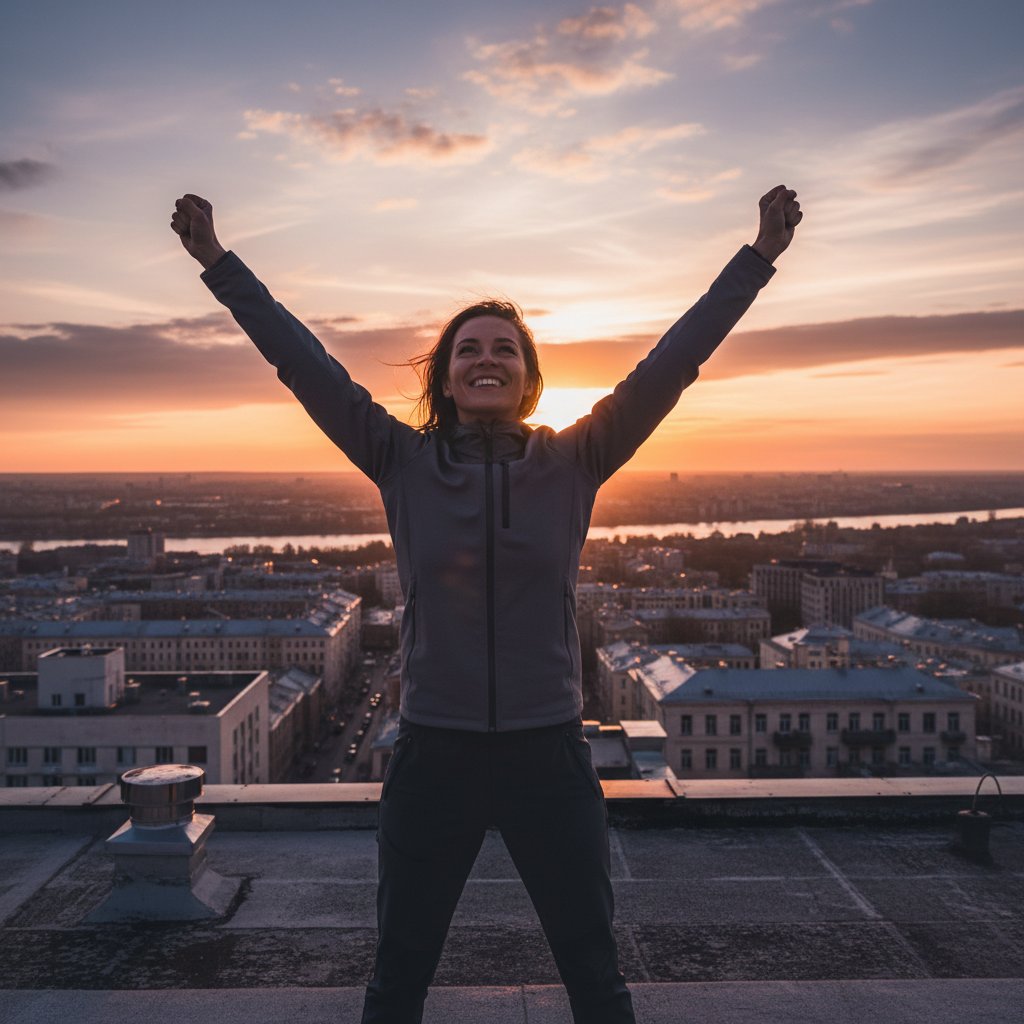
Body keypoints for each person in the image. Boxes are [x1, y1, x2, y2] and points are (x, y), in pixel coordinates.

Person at [171, 186, 801, 1023]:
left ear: (531, 377)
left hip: (551, 756)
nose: (486, 358)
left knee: (596, 976)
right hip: (436, 756)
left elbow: (671, 364)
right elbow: (303, 362)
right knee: (398, 977)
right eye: (468, 348)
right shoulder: (399, 459)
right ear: (447, 373)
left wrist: (756, 258)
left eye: (504, 347)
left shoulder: (575, 463)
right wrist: (220, 262)